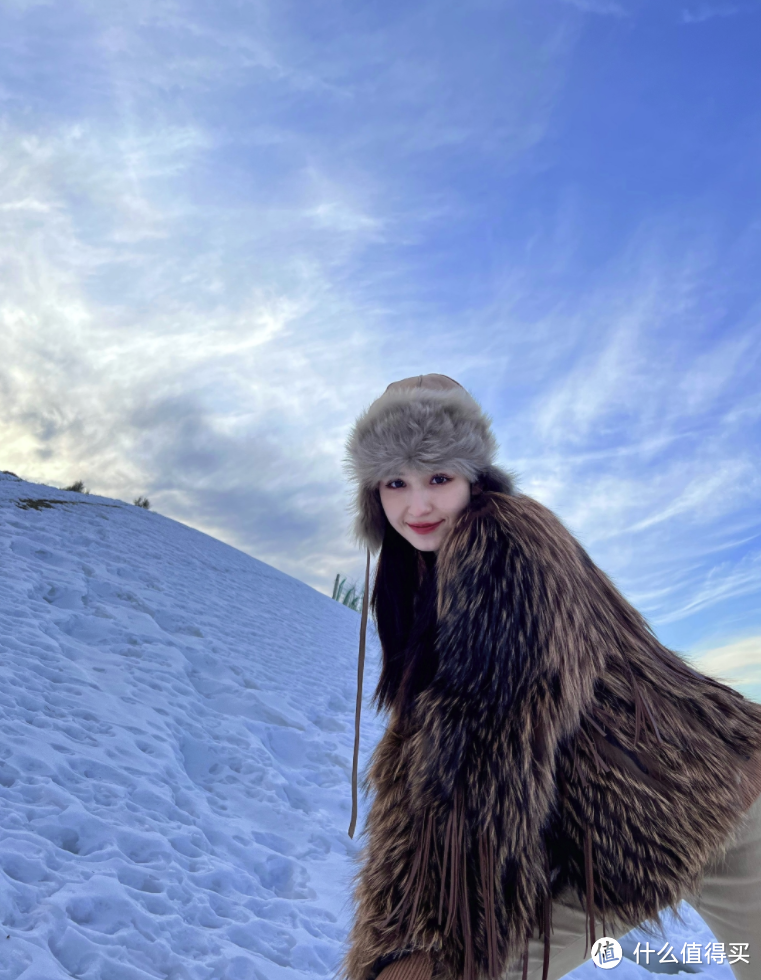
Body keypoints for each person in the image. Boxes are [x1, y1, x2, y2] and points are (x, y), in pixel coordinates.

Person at [336, 374, 761, 980]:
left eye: (438, 478)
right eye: (395, 483)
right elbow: (423, 747)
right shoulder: (413, 574)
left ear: (474, 479)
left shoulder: (505, 544)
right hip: (611, 834)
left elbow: (481, 749)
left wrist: (426, 938)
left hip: (726, 791)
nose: (417, 505)